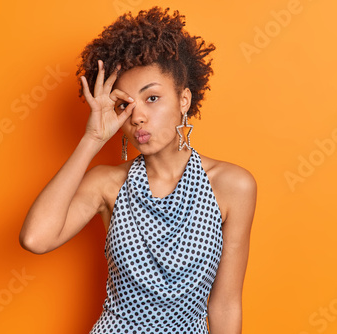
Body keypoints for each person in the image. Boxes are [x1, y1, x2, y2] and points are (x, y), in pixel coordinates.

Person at [19, 6, 257, 334]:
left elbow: (226, 304)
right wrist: (92, 138)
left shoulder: (233, 186)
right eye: (124, 105)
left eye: (152, 98)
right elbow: (35, 238)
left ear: (184, 100)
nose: (137, 116)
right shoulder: (107, 183)